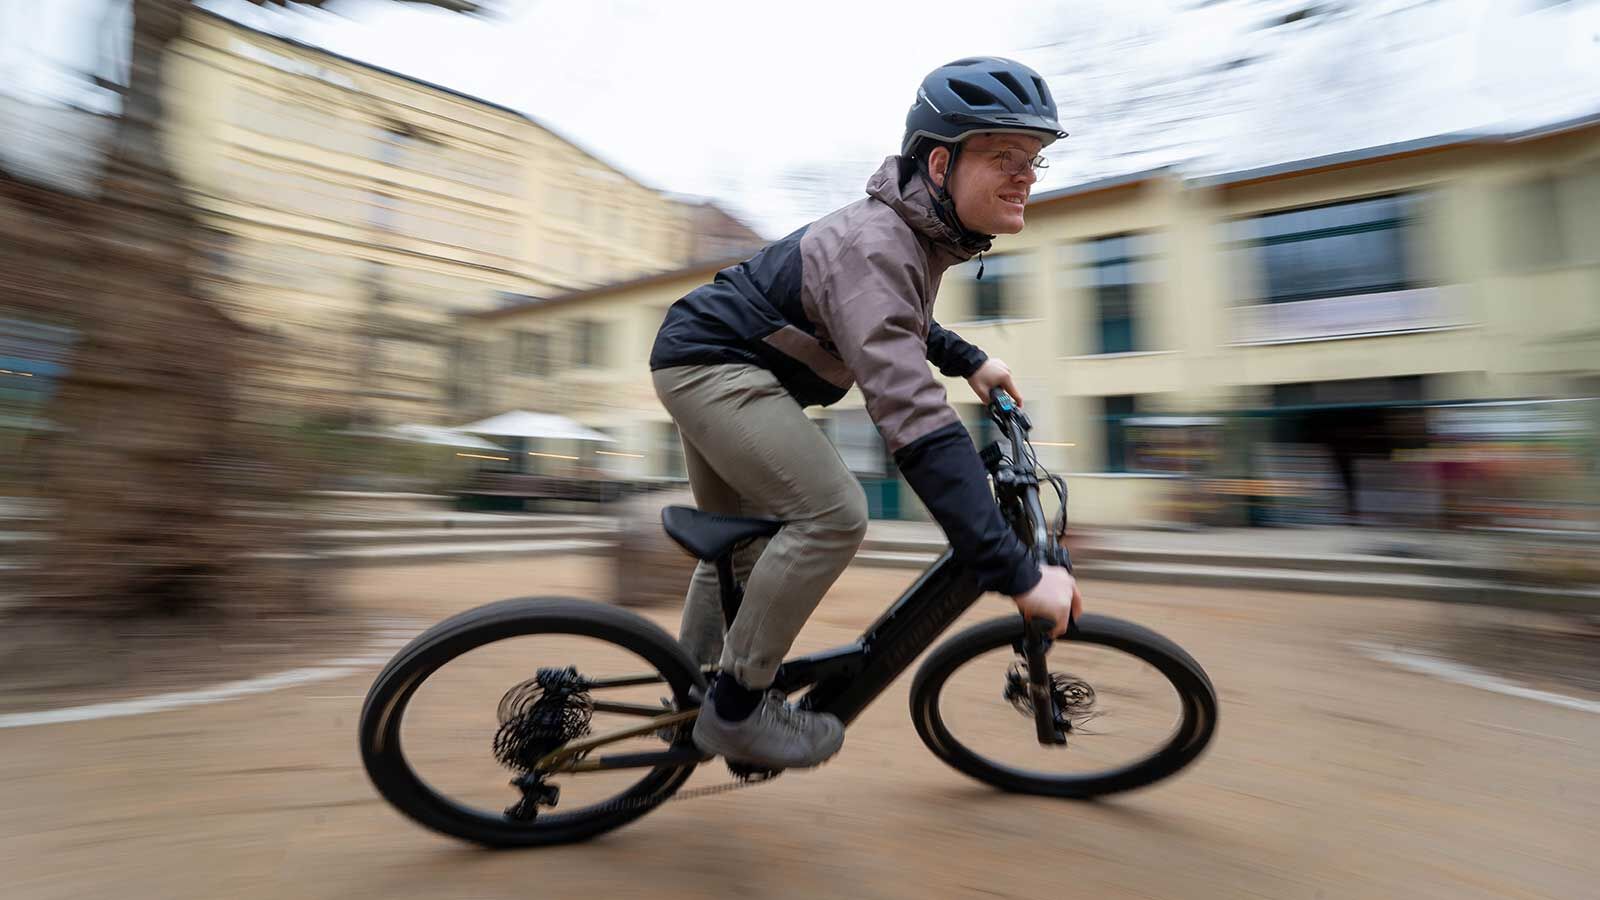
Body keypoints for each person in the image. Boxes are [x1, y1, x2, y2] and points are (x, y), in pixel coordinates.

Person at [649, 57, 1086, 770]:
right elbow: (909, 413)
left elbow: (893, 321)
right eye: (1004, 156)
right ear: (940, 164)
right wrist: (1016, 573)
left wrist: (970, 359)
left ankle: (687, 700)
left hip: (711, 359)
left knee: (745, 545)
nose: (1026, 175)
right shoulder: (878, 241)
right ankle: (733, 710)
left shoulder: (913, 237)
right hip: (715, 367)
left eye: (1033, 160)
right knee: (831, 515)